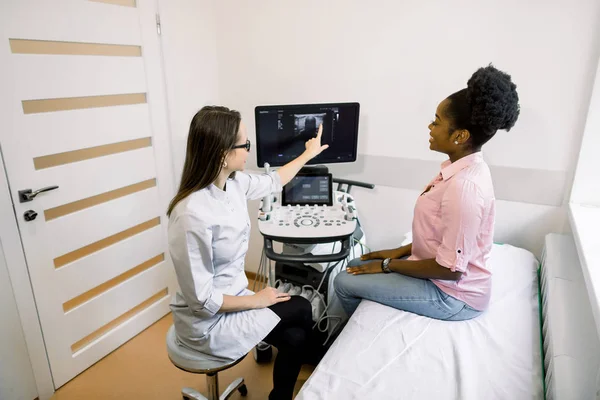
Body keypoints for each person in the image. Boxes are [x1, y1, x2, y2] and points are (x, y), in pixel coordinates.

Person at [167, 106, 329, 400]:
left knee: (295, 337)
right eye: (245, 145)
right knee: (302, 308)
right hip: (209, 322)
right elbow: (202, 301)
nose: (248, 151)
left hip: (236, 298)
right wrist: (257, 299)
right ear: (221, 153)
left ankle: (279, 397)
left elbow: (274, 180)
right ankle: (325, 365)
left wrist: (309, 154)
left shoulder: (234, 183)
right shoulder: (191, 215)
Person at [334, 65, 520, 321]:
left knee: (344, 282)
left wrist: (389, 266)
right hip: (441, 274)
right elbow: (443, 237)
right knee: (356, 266)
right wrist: (399, 252)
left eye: (437, 121)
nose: (430, 126)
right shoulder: (462, 168)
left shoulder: (464, 188)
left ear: (461, 135)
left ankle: (352, 332)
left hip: (453, 295)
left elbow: (451, 270)